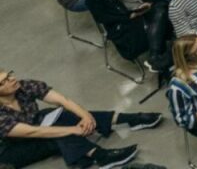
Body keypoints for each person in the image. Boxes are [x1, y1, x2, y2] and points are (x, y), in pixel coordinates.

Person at [0, 67, 159, 169]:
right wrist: (73, 129)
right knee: (57, 133)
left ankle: (126, 119)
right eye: (4, 81)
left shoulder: (23, 86)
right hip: (14, 149)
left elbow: (62, 100)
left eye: (10, 75)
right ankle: (101, 156)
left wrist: (85, 116)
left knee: (60, 114)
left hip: (34, 123)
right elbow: (32, 133)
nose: (12, 79)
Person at [85, 0, 171, 73]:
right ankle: (158, 55)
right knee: (161, 12)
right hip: (128, 18)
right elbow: (102, 16)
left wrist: (148, 1)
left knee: (161, 9)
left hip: (147, 5)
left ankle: (156, 57)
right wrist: (130, 15)